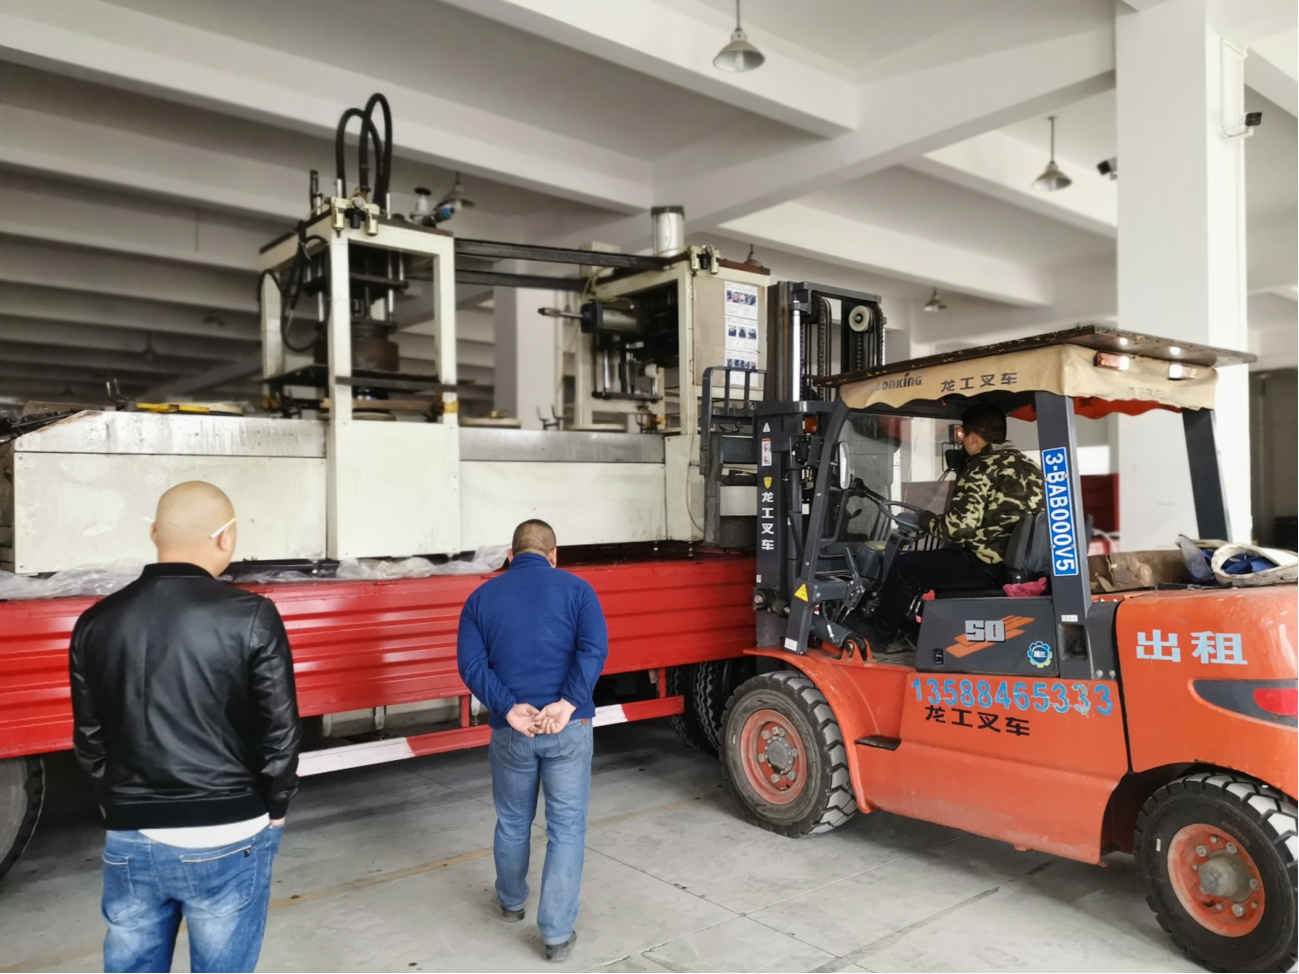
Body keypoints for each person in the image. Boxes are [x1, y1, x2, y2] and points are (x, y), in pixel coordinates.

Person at [69, 481, 300, 974]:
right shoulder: (252, 616)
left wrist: (124, 804)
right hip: (229, 830)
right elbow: (279, 734)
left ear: (155, 533)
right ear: (226, 537)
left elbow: (90, 740)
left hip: (130, 834)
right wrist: (276, 807)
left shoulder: (95, 621)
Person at [456, 519, 608, 963]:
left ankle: (511, 902)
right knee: (567, 828)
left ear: (510, 555)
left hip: (512, 732)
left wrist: (507, 708)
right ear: (554, 555)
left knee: (512, 820)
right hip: (568, 729)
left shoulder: (481, 599)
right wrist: (567, 703)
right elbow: (593, 650)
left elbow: (471, 665)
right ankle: (556, 935)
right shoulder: (579, 591)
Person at [864, 403, 1045, 645]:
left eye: (962, 436)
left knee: (905, 567)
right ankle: (912, 626)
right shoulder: (1031, 467)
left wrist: (928, 521)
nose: (962, 443)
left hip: (986, 565)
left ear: (972, 437)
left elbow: (959, 528)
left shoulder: (981, 467)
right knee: (932, 563)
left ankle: (879, 636)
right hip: (1019, 567)